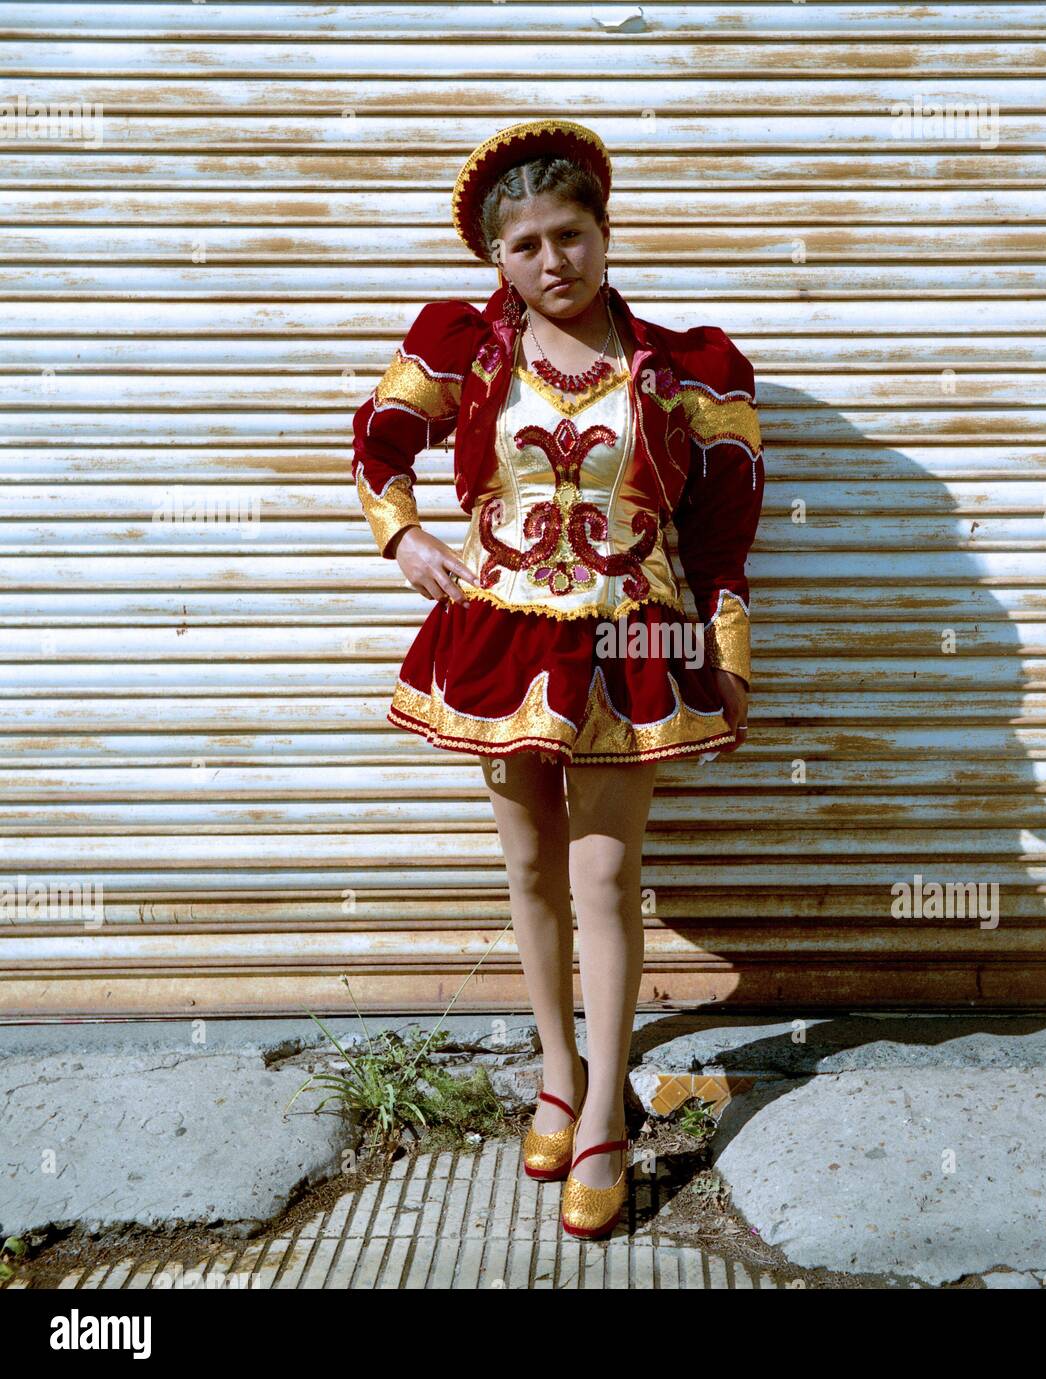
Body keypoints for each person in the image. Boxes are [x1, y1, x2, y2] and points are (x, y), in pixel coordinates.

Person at [349, 119, 764, 1239]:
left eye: (569, 233)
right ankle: (555, 1067)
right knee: (529, 863)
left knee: (606, 874)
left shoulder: (686, 367)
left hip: (633, 641)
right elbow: (378, 441)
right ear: (498, 260)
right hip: (501, 635)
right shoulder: (467, 347)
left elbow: (724, 527)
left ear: (603, 230)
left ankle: (606, 1117)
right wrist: (404, 539)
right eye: (524, 244)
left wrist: (722, 644)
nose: (552, 261)